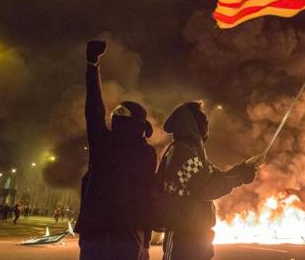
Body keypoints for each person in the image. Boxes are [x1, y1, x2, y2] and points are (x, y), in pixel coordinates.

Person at [76, 40, 157, 260]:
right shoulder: (103, 141)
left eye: (123, 113)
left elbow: (147, 194)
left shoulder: (145, 153)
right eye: (116, 112)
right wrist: (92, 66)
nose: (116, 115)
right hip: (100, 233)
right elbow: (93, 106)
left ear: (137, 123)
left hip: (125, 236)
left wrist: (146, 239)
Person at [158, 101, 259, 260]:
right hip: (183, 236)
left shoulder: (194, 151)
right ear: (192, 125)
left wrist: (243, 168)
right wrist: (239, 178)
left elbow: (216, 177)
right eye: (204, 123)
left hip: (197, 234)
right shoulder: (182, 152)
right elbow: (206, 188)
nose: (207, 127)